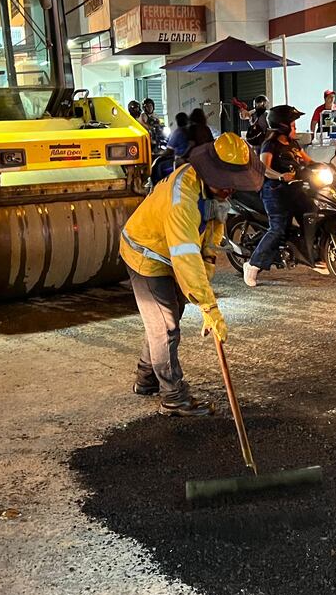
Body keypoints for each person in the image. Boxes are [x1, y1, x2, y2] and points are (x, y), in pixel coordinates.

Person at [120, 132, 263, 415]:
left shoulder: (214, 191)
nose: (231, 190)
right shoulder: (182, 200)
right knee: (166, 326)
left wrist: (204, 286)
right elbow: (185, 258)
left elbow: (209, 241)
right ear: (213, 172)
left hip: (172, 253)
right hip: (146, 253)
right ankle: (174, 398)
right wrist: (208, 305)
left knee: (165, 318)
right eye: (227, 184)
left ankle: (146, 379)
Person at [245, 105, 316, 287]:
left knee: (312, 213)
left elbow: (308, 161)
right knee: (277, 228)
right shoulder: (270, 144)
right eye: (292, 125)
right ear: (282, 125)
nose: (295, 128)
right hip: (274, 191)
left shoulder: (293, 144)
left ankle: (314, 255)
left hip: (295, 189)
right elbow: (264, 169)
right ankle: (252, 265)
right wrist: (280, 176)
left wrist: (325, 167)